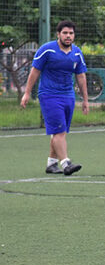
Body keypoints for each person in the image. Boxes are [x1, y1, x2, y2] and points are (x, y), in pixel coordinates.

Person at [20, 19, 88, 175]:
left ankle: (51, 163)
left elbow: (81, 76)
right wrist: (27, 93)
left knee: (60, 131)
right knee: (59, 131)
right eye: (65, 33)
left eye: (71, 33)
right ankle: (66, 163)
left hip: (68, 96)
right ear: (58, 34)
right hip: (49, 95)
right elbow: (34, 71)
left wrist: (85, 100)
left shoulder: (77, 53)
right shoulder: (47, 50)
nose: (68, 36)